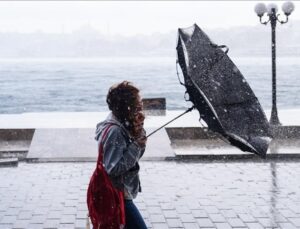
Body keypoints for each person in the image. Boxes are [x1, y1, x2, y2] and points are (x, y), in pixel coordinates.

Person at [87, 81, 147, 229]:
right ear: (127, 106)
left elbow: (134, 158)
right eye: (138, 102)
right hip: (117, 193)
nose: (141, 106)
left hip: (118, 192)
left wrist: (138, 132)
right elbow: (113, 168)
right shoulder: (115, 131)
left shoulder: (121, 122)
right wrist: (136, 145)